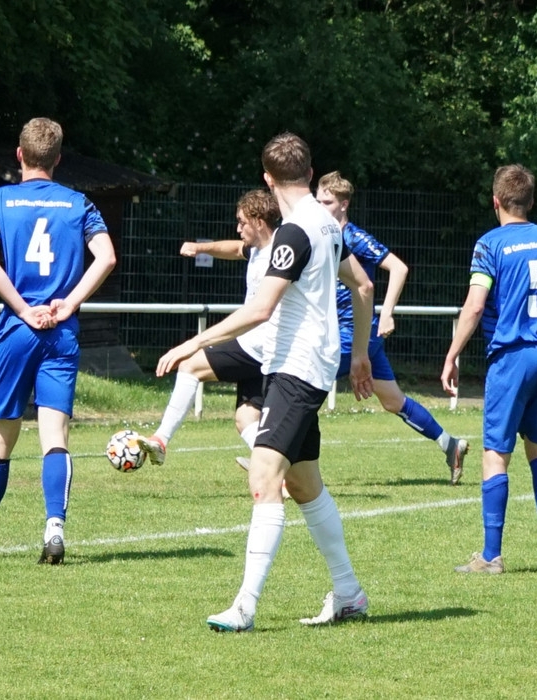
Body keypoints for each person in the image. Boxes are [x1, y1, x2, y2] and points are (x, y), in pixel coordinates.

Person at [156, 132, 376, 631]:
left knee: (263, 479)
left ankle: (245, 607)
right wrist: (360, 352)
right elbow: (363, 285)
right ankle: (349, 594)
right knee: (304, 484)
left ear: (267, 179)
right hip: (308, 365)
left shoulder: (295, 233)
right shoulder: (328, 223)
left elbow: (260, 309)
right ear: (310, 172)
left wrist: (193, 343)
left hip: (297, 368)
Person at [0, 117, 116, 564]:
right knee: (55, 436)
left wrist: (24, 309)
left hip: (17, 328)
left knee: (0, 438)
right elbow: (106, 257)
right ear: (58, 159)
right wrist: (68, 304)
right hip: (60, 331)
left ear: (19, 155)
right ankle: (54, 530)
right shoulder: (79, 203)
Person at [442, 164, 537, 574]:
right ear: (531, 201)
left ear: (496, 201)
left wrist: (452, 355)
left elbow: (475, 306)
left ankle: (491, 556)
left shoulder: (490, 244)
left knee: (495, 454)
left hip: (511, 356)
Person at [316, 172, 470, 485]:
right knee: (392, 400)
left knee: (303, 387)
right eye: (318, 201)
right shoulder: (322, 237)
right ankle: (450, 445)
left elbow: (398, 268)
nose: (321, 208)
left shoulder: (354, 238)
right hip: (350, 334)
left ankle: (275, 460)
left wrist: (386, 314)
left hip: (354, 334)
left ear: (344, 205)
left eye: (327, 202)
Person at [135, 189, 280, 471]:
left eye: (242, 222)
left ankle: (161, 440)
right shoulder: (257, 248)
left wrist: (196, 342)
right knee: (246, 418)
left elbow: (259, 312)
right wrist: (201, 248)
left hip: (259, 344)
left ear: (259, 222)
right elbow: (235, 249)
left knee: (190, 366)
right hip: (261, 347)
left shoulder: (277, 255)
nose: (237, 228)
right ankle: (277, 473)